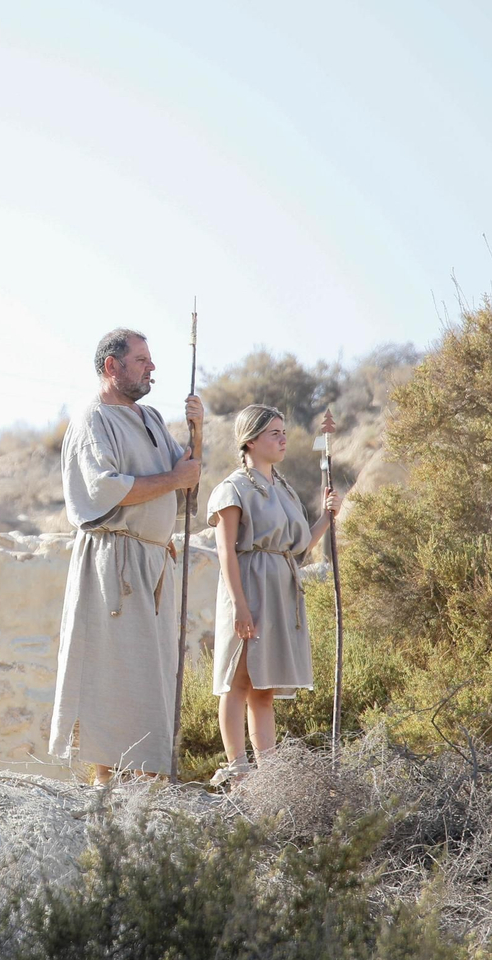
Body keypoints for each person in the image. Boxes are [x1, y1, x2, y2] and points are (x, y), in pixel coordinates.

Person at [48, 327, 203, 783]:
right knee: (111, 671)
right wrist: (175, 480)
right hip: (113, 561)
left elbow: (187, 476)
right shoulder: (92, 419)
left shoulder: (152, 418)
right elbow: (105, 489)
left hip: (154, 563)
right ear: (111, 366)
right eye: (141, 360)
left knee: (151, 676)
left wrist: (199, 430)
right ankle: (106, 784)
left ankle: (146, 782)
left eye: (150, 360)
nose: (151, 367)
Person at [205, 404, 341, 784]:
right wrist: (239, 606)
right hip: (249, 584)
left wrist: (327, 518)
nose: (283, 439)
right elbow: (225, 551)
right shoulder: (232, 489)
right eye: (274, 433)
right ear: (250, 441)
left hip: (282, 586)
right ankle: (239, 771)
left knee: (264, 686)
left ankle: (269, 776)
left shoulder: (283, 489)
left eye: (284, 432)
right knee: (239, 680)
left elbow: (297, 548)